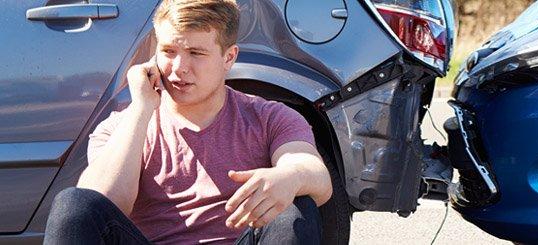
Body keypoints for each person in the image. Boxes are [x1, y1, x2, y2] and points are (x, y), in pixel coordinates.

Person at [43, 0, 332, 244]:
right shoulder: (121, 126)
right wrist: (141, 110)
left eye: (196, 53)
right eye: (169, 51)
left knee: (294, 208)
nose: (179, 68)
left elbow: (314, 173)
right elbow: (96, 204)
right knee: (73, 203)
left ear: (228, 57)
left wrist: (290, 177)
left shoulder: (269, 117)